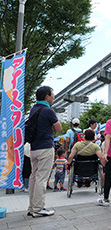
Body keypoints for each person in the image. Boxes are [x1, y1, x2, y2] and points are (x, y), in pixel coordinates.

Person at [27, 86, 62, 217]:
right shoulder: (48, 110)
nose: (53, 98)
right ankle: (38, 208)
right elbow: (58, 128)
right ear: (47, 96)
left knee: (34, 178)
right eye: (52, 95)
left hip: (34, 149)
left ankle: (32, 207)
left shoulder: (33, 110)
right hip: (45, 148)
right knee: (41, 179)